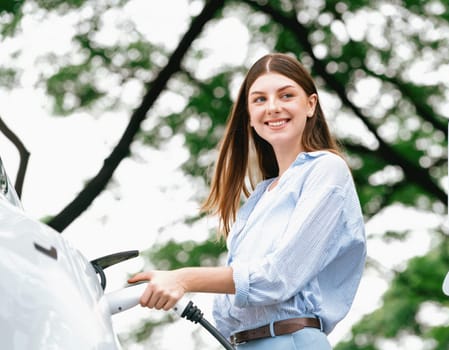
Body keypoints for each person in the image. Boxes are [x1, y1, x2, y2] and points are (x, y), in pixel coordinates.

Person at [128, 53, 367, 349]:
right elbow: (236, 305)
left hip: (289, 340)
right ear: (249, 117)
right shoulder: (258, 199)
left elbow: (279, 276)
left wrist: (184, 278)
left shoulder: (325, 169)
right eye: (259, 100)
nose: (273, 107)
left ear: (311, 104)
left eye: (286, 95)